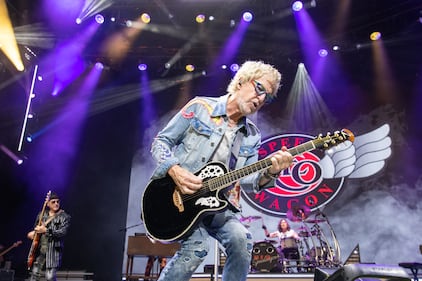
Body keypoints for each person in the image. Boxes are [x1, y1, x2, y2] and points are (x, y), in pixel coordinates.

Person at [149, 60, 294, 281]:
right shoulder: (200, 107)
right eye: (260, 89)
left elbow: (248, 181)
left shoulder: (252, 135)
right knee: (197, 247)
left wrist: (273, 172)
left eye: (268, 97)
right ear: (241, 82)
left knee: (242, 240)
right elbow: (161, 142)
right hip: (178, 197)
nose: (262, 99)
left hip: (218, 205)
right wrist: (174, 169)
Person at [27, 192, 71, 281]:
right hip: (40, 251)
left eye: (58, 201)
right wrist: (33, 234)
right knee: (34, 276)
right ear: (48, 204)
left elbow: (62, 232)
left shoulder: (64, 217)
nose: (56, 203)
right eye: (53, 202)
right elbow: (36, 229)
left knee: (50, 277)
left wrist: (46, 230)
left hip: (53, 251)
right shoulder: (41, 214)